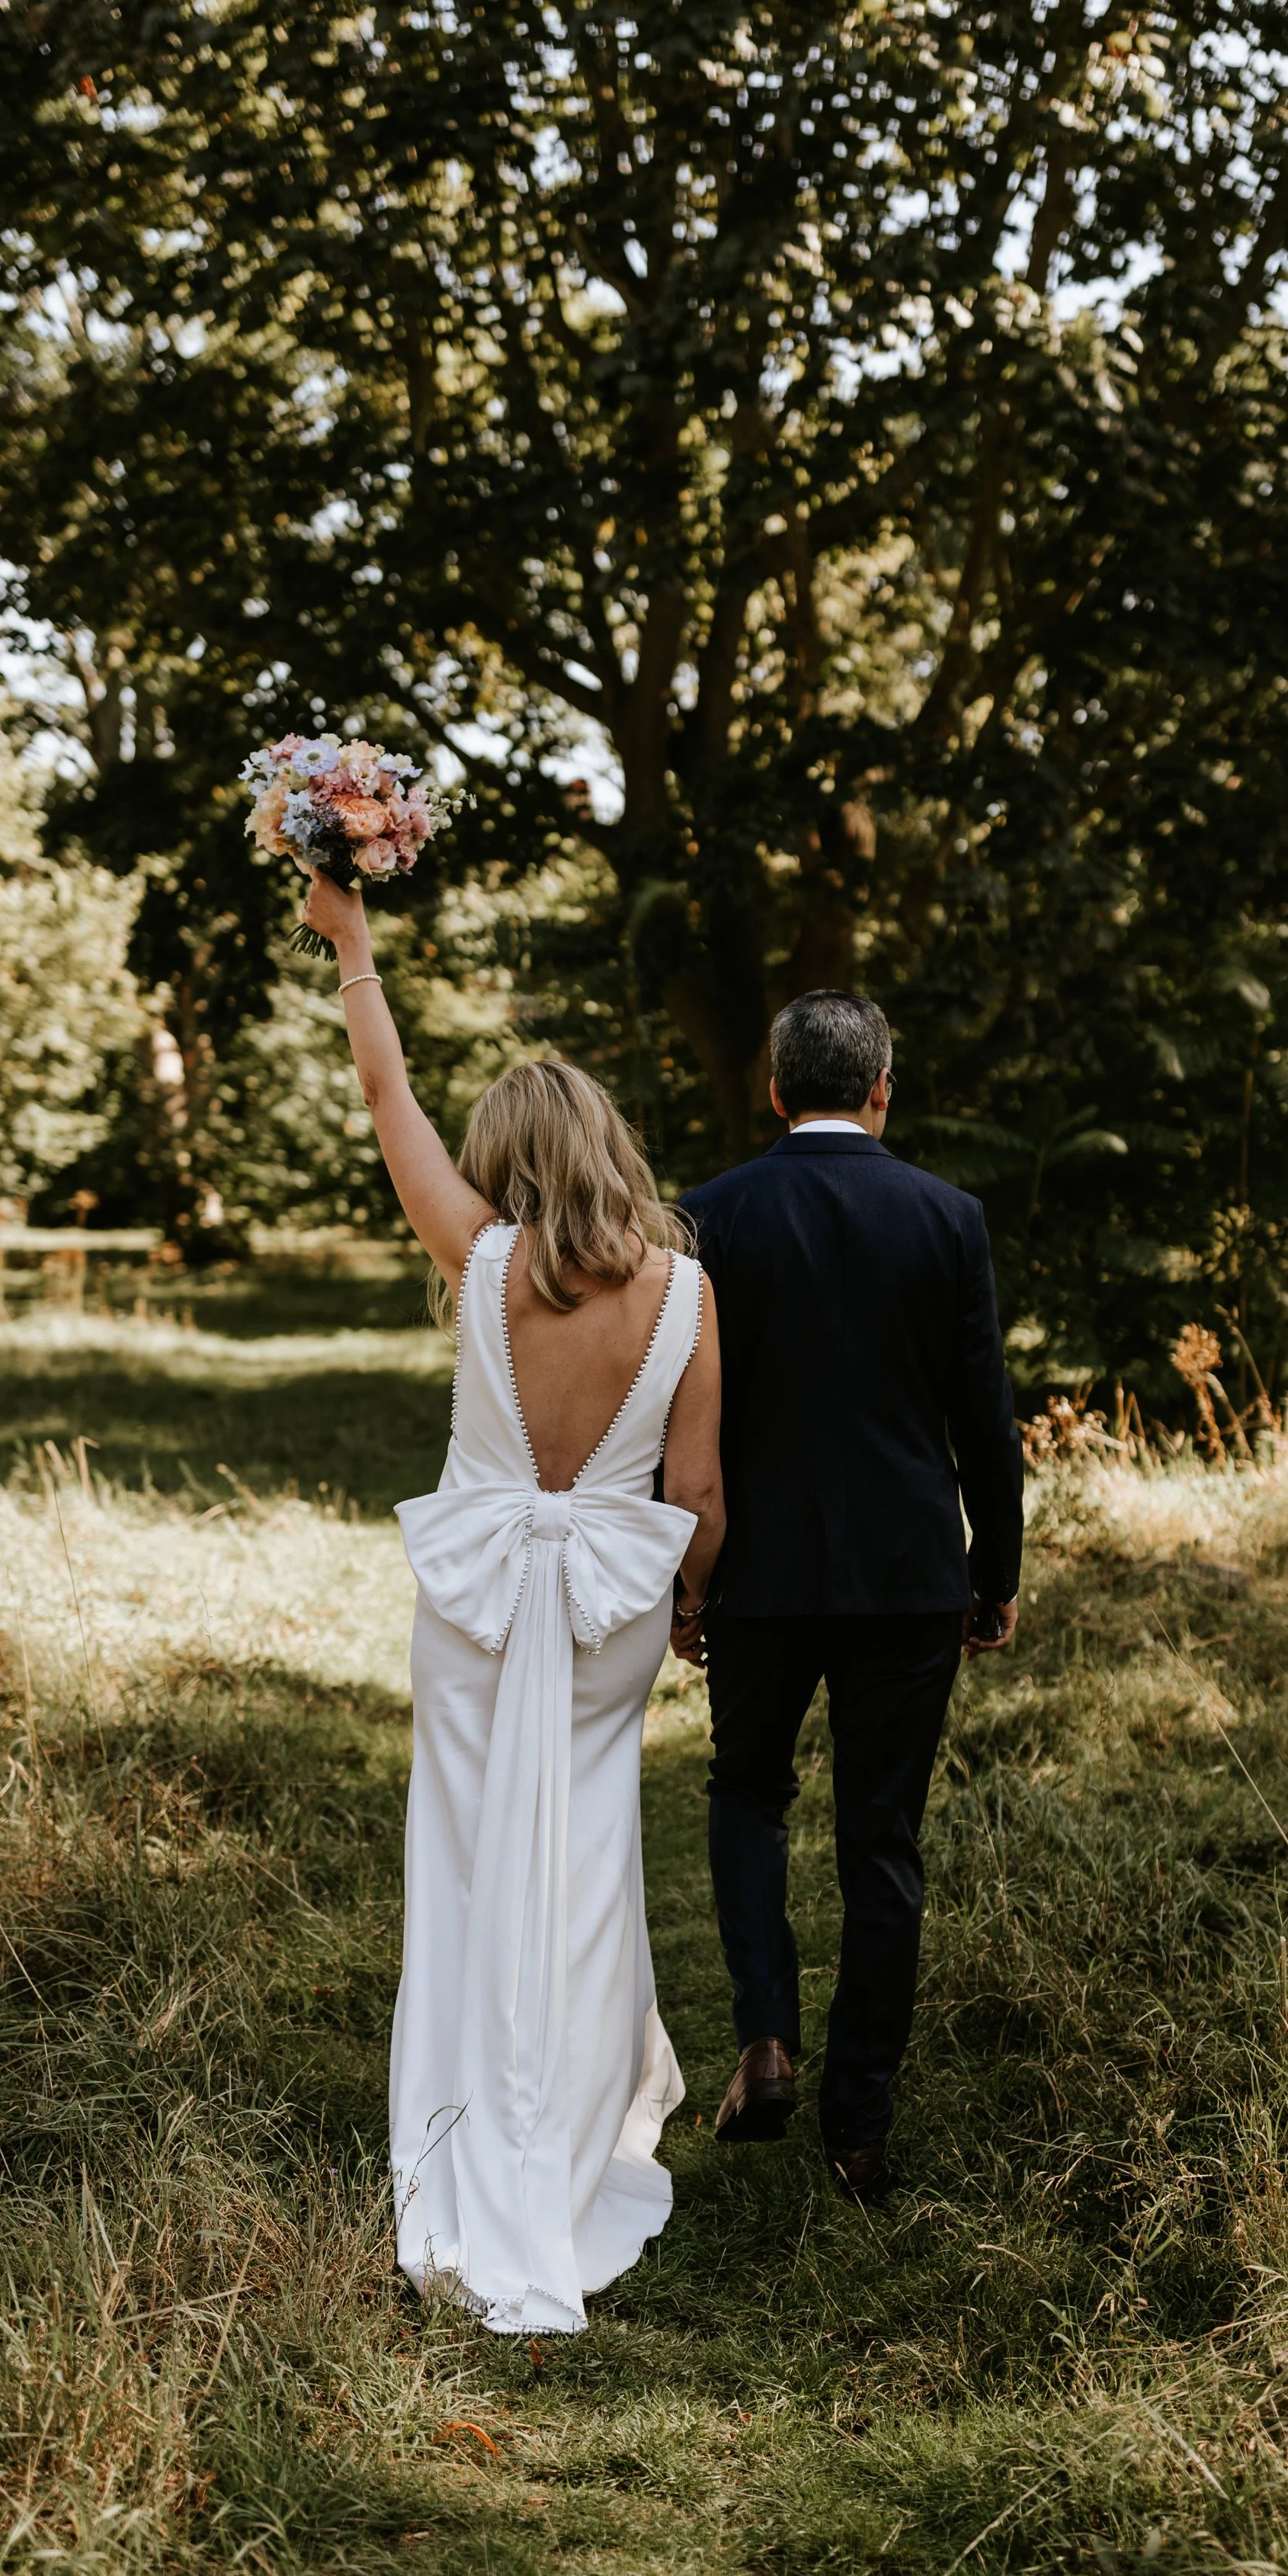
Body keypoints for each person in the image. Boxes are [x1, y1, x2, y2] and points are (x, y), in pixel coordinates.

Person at [300, 871, 725, 2334]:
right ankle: (567, 2149)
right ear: (609, 1148)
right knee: (591, 1861)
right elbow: (701, 1488)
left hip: (479, 1601)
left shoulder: (479, 1261)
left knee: (465, 1862)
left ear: (507, 1164)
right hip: (611, 1608)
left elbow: (387, 1096)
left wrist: (354, 944)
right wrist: (693, 1610)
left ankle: (460, 2143)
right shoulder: (687, 1294)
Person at [679, 990, 1022, 2206]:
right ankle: (859, 2131)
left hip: (759, 1574)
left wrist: (685, 1578)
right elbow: (985, 1418)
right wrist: (995, 1574)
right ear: (882, 1088)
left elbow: (684, 1416)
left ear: (776, 1090)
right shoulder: (948, 1216)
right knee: (882, 1841)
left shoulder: (709, 1216)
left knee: (747, 1793)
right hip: (907, 1579)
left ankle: (766, 2036)